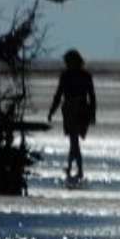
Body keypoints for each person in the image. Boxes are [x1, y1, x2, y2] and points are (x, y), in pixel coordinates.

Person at [47, 49, 96, 181]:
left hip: (76, 110)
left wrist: (52, 111)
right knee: (73, 141)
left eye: (67, 61)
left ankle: (78, 170)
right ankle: (71, 167)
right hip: (76, 110)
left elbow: (59, 95)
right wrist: (52, 111)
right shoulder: (82, 75)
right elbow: (91, 97)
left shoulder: (70, 76)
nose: (66, 64)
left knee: (74, 141)